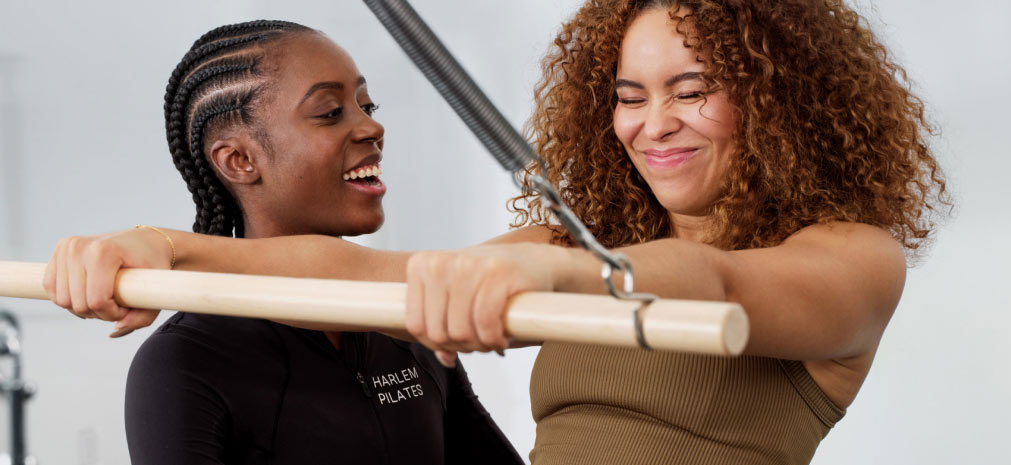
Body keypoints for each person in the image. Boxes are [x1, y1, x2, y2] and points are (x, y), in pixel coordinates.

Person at [46, 2, 949, 463]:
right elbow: (371, 275)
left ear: (778, 96)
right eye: (629, 97)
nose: (653, 123)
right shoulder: (577, 242)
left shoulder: (852, 257)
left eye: (692, 88)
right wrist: (161, 246)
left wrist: (549, 282)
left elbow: (719, 283)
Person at [68, 20, 523, 465]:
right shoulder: (182, 363)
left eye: (368, 106)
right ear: (239, 160)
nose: (371, 128)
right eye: (330, 112)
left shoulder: (405, 326)